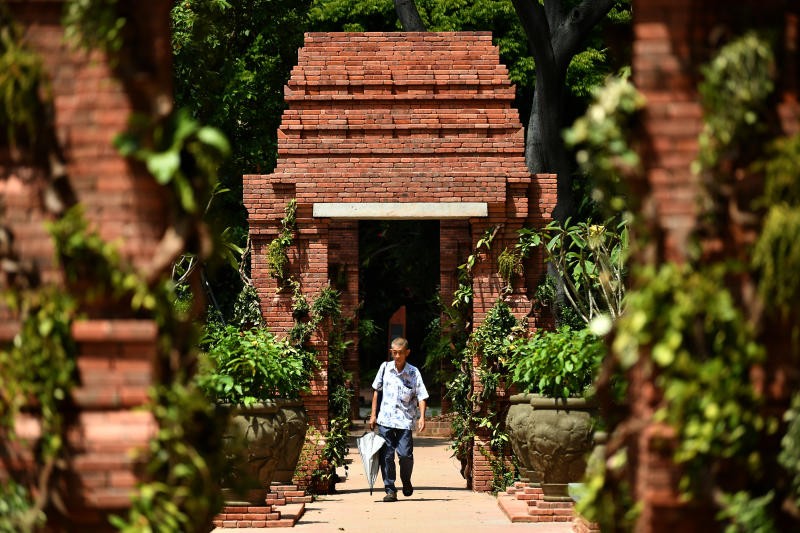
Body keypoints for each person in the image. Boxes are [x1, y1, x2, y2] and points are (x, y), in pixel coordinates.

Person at [369, 336, 429, 502]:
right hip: (385, 421)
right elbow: (376, 391)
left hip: (404, 421)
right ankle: (390, 489)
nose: (396, 356)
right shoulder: (384, 368)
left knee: (405, 455)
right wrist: (373, 415)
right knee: (386, 456)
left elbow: (422, 396)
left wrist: (422, 417)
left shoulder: (413, 372)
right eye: (394, 353)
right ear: (391, 352)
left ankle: (406, 480)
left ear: (407, 353)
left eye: (400, 353)